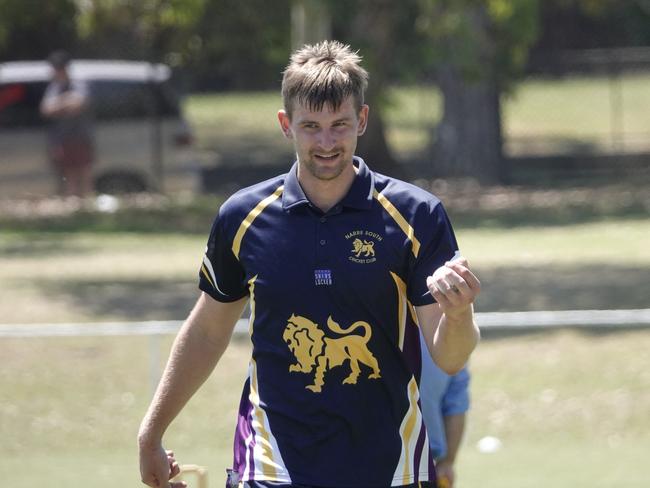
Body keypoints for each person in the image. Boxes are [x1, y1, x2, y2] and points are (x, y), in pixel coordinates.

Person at [138, 40, 481, 488]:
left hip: (389, 467)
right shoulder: (243, 218)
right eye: (311, 126)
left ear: (362, 119)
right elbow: (206, 332)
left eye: (339, 125)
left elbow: (450, 358)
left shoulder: (416, 216)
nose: (326, 142)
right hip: (270, 467)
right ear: (286, 124)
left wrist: (458, 314)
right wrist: (151, 431)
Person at [40, 50, 94, 197]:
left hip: (81, 136)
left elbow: (80, 104)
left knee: (84, 173)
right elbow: (46, 109)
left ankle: (87, 203)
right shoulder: (54, 87)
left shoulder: (78, 83)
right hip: (62, 138)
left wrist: (59, 104)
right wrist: (67, 101)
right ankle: (74, 205)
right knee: (69, 175)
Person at [419, 336, 471, 488]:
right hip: (426, 467)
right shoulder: (447, 330)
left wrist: (446, 463)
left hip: (369, 461)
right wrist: (447, 463)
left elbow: (455, 405)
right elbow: (456, 406)